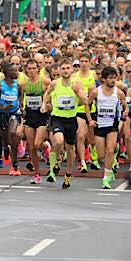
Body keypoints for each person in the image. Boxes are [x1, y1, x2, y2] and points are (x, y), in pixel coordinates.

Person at [42, 59, 89, 189]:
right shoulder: (55, 83)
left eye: (68, 68)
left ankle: (68, 174)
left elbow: (85, 101)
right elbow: (47, 93)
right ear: (60, 70)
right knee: (58, 141)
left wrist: (77, 92)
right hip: (57, 118)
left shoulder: (77, 83)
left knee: (70, 149)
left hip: (71, 119)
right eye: (63, 69)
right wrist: (43, 104)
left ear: (72, 70)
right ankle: (56, 162)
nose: (66, 71)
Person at [86, 66, 128, 189]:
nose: (113, 80)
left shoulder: (119, 92)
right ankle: (109, 167)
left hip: (112, 125)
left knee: (110, 149)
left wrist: (125, 111)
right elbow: (87, 105)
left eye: (114, 78)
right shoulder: (96, 92)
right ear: (104, 79)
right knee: (101, 155)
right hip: (100, 125)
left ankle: (106, 176)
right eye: (110, 78)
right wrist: (90, 120)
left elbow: (125, 106)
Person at [0, 62, 25, 176]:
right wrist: (2, 107)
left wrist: (20, 105)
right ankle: (6, 150)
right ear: (6, 73)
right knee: (7, 141)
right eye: (13, 71)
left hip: (13, 113)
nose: (16, 72)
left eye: (16, 70)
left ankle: (15, 166)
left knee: (13, 133)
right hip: (2, 114)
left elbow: (20, 96)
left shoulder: (18, 85)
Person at [21, 59, 49, 184]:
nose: (32, 71)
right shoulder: (23, 84)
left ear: (38, 69)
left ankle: (45, 146)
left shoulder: (44, 82)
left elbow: (51, 96)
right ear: (26, 69)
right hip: (29, 116)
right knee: (31, 146)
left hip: (41, 116)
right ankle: (37, 174)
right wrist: (22, 109)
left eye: (34, 68)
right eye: (29, 69)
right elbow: (21, 98)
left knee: (37, 144)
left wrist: (47, 105)